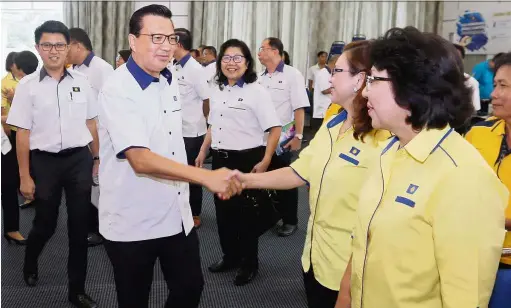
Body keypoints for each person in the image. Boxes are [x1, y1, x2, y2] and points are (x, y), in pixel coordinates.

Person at [335, 27, 508, 308]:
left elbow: (464, 299)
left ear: (412, 88)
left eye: (375, 80)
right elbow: (365, 243)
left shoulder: (463, 178)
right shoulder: (390, 151)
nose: (364, 92)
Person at [96, 5, 239, 308]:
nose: (165, 46)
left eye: (171, 38)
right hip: (132, 219)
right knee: (134, 299)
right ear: (133, 41)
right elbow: (140, 159)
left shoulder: (169, 76)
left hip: (175, 213)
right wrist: (205, 176)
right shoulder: (117, 88)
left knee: (190, 287)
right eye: (156, 37)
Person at [230, 40, 390, 307]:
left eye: (337, 70)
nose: (328, 74)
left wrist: (348, 290)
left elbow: (381, 223)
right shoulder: (333, 122)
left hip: (352, 273)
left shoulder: (384, 138)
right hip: (316, 257)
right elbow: (300, 171)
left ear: (360, 80)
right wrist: (245, 180)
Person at [7, 20, 100, 308]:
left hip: (78, 161)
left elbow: (91, 123)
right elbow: (21, 133)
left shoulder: (83, 83)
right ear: (38, 48)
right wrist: (25, 176)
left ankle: (77, 290)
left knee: (79, 225)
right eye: (47, 45)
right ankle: (31, 259)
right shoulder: (27, 86)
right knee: (45, 223)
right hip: (44, 162)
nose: (54, 50)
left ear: (68, 47)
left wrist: (96, 158)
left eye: (59, 44)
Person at [195, 38, 282, 286]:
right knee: (223, 214)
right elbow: (213, 125)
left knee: (247, 215)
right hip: (221, 159)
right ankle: (230, 256)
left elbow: (274, 129)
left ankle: (249, 264)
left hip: (247, 160)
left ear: (247, 63)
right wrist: (204, 151)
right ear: (220, 61)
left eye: (237, 58)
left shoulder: (257, 92)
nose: (231, 63)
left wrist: (266, 160)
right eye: (226, 58)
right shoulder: (217, 89)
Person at [465, 52, 511, 308]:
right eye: (495, 85)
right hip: (474, 261)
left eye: (503, 86)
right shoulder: (478, 134)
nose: (494, 95)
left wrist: (500, 221)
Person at [257, 37, 310, 237]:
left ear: (275, 51)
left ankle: (290, 220)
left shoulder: (292, 74)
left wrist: (298, 135)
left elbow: (299, 107)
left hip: (282, 139)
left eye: (262, 48)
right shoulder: (259, 78)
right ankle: (272, 215)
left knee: (285, 180)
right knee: (265, 179)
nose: (259, 52)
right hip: (260, 139)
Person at [67, 27, 114, 247]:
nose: (62, 52)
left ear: (77, 45)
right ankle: (90, 227)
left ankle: (102, 230)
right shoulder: (73, 70)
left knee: (100, 186)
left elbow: (113, 106)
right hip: (80, 139)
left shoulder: (101, 68)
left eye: (65, 46)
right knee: (87, 186)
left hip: (100, 138)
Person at [172, 28, 210, 228]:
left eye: (170, 40)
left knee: (193, 174)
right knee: (178, 172)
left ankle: (195, 212)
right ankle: (180, 208)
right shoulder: (174, 66)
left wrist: (200, 119)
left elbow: (207, 99)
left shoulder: (195, 69)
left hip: (193, 132)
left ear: (178, 43)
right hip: (176, 129)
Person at [1, 50, 39, 245]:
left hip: (36, 137)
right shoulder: (7, 82)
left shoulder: (38, 85)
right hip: (11, 137)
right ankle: (11, 229)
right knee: (8, 182)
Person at [311, 55, 338, 134]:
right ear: (334, 63)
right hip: (322, 110)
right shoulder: (323, 73)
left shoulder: (328, 73)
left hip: (326, 109)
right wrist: (338, 87)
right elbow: (324, 90)